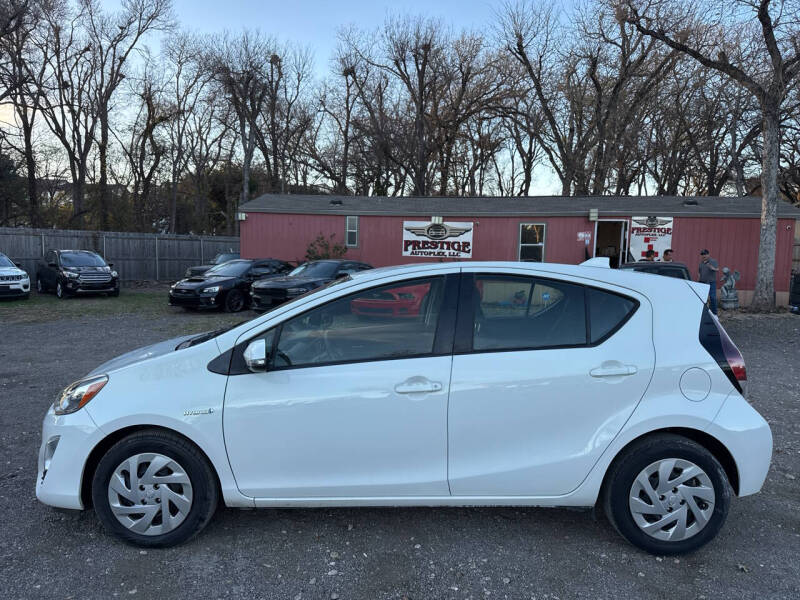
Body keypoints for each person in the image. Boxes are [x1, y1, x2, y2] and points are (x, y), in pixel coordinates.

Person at [699, 249, 720, 314]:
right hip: (702, 283)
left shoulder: (713, 261)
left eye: (705, 254)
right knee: (702, 298)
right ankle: (703, 312)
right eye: (702, 254)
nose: (703, 256)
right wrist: (698, 281)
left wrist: (712, 268)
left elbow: (717, 269)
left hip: (711, 282)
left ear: (708, 254)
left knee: (713, 298)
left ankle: (714, 313)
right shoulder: (701, 263)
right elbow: (699, 273)